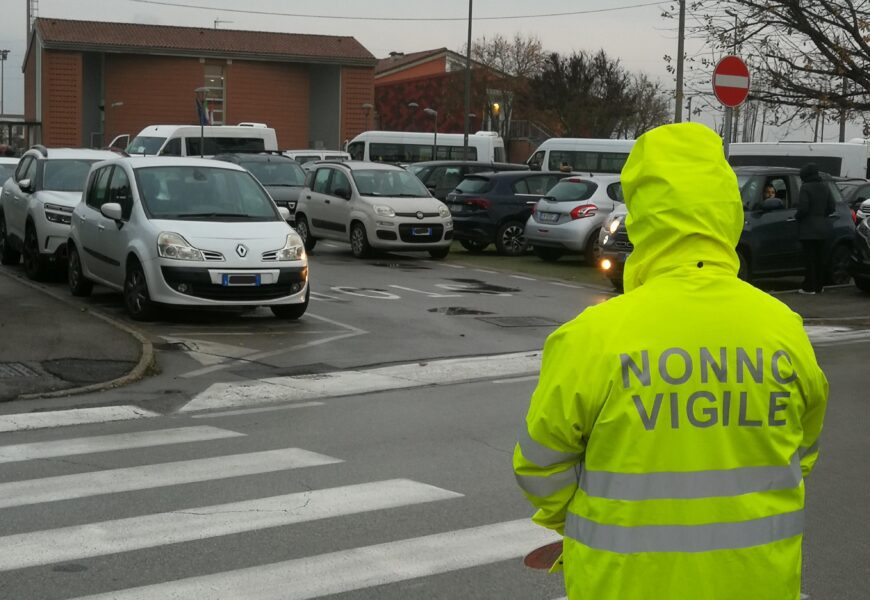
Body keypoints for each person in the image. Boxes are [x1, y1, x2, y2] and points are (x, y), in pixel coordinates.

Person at [514, 122, 828, 600]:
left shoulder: (593, 337)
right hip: (758, 583)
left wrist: (593, 519)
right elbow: (800, 453)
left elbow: (540, 465)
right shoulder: (782, 329)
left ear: (642, 215)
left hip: (624, 584)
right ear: (728, 212)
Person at [796, 163, 836, 294]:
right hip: (823, 229)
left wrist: (798, 217)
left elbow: (803, 208)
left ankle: (809, 287)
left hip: (808, 229)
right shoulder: (825, 187)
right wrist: (822, 215)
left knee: (810, 259)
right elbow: (832, 207)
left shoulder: (805, 187)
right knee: (820, 259)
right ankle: (819, 286)